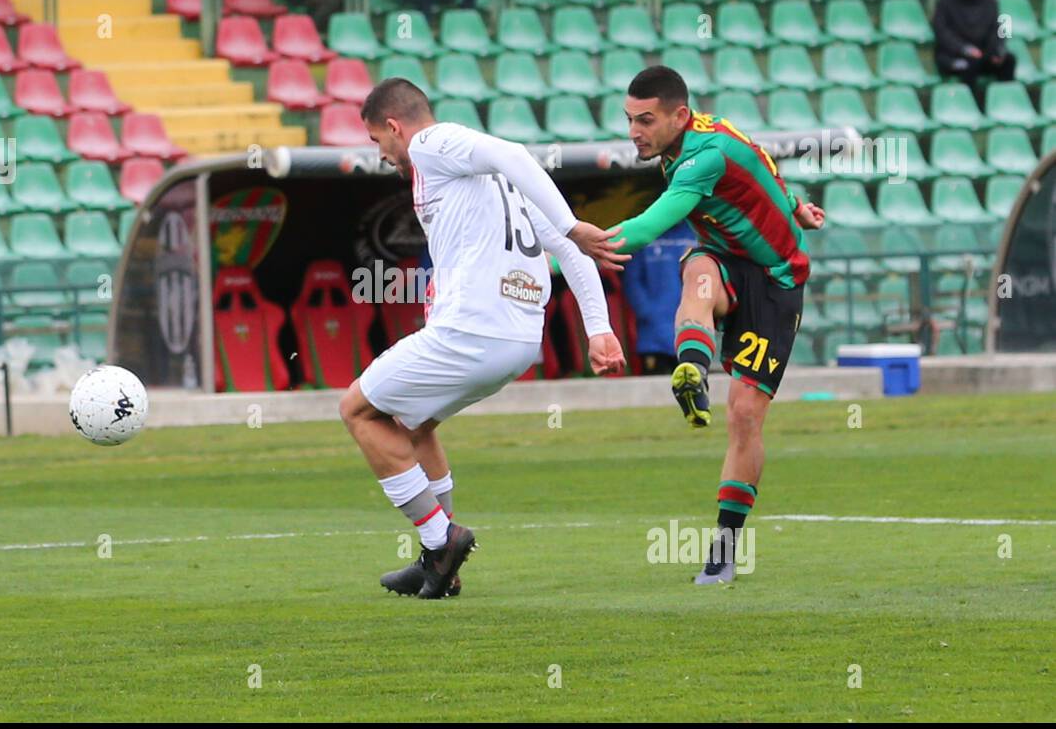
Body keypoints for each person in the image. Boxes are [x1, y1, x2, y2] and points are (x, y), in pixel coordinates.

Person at [342, 78, 627, 599]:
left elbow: (513, 154)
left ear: (393, 126)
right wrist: (599, 329)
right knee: (413, 424)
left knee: (357, 410)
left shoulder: (431, 144)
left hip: (472, 329)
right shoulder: (494, 186)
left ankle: (439, 541)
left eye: (376, 141)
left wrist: (571, 221)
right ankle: (439, 567)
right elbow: (569, 252)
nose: (381, 155)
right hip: (518, 340)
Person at [608, 66, 825, 584]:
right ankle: (691, 369)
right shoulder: (704, 133)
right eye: (629, 120)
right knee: (698, 273)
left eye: (645, 120)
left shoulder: (699, 158)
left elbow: (645, 229)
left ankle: (724, 552)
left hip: (775, 282)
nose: (634, 131)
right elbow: (763, 167)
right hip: (725, 259)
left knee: (744, 416)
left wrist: (555, 259)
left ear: (679, 116)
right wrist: (794, 205)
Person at [621, 220, 696, 375]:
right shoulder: (645, 234)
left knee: (693, 391)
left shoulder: (695, 233)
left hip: (691, 330)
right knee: (653, 394)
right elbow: (632, 280)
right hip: (652, 337)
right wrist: (647, 312)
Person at [933, 0, 1015, 95]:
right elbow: (942, 31)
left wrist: (997, 51)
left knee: (1008, 60)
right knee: (969, 64)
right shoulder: (947, 1)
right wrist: (964, 49)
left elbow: (998, 29)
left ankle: (1006, 101)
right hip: (954, 55)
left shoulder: (989, 1)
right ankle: (972, 106)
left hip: (984, 54)